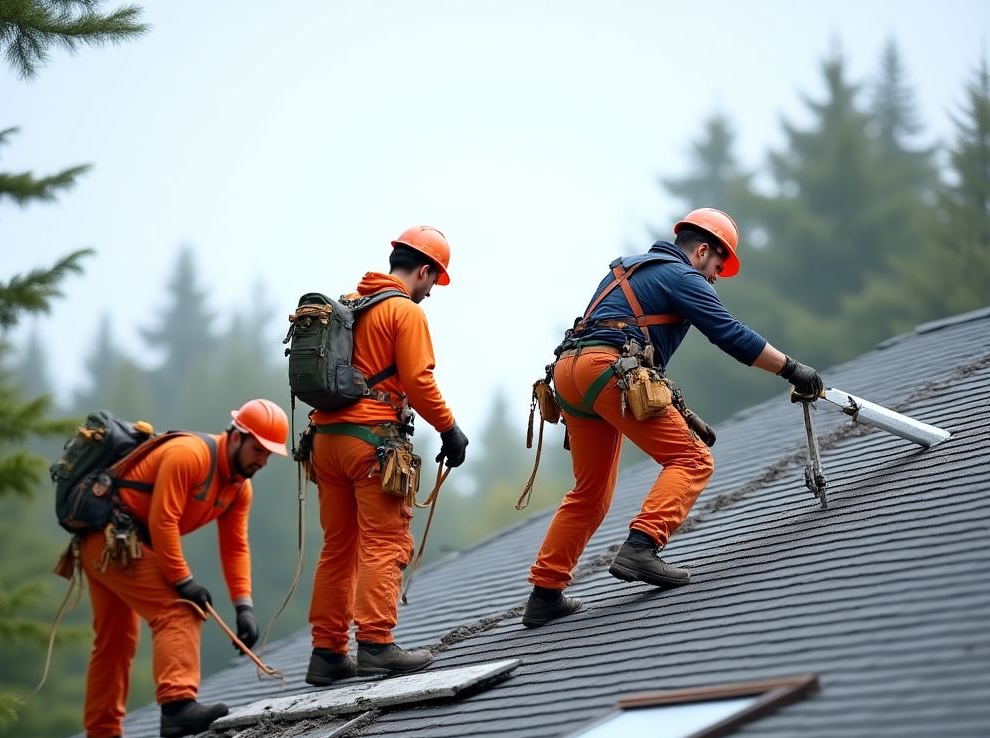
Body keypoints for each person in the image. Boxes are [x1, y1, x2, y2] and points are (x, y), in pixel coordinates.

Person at [522, 207, 824, 628]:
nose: (715, 278)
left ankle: (545, 593)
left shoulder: (628, 269)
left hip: (569, 373)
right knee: (692, 459)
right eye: (718, 266)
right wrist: (792, 369)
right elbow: (731, 334)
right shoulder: (683, 276)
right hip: (608, 370)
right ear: (702, 251)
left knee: (590, 492)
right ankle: (641, 547)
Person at [80, 398, 289, 738]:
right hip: (113, 537)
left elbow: (235, 546)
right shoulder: (189, 455)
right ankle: (177, 706)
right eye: (258, 449)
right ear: (236, 437)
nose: (263, 460)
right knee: (179, 610)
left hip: (116, 543)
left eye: (269, 454)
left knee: (116, 638)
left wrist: (243, 604)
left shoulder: (239, 487)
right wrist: (184, 581)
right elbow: (163, 521)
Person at [305, 225, 468, 685]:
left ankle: (327, 653)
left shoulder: (348, 305)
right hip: (370, 443)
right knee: (384, 541)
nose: (430, 293)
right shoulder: (403, 311)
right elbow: (418, 380)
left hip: (324, 441)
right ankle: (375, 644)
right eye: (433, 282)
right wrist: (449, 429)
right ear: (424, 270)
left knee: (338, 547)